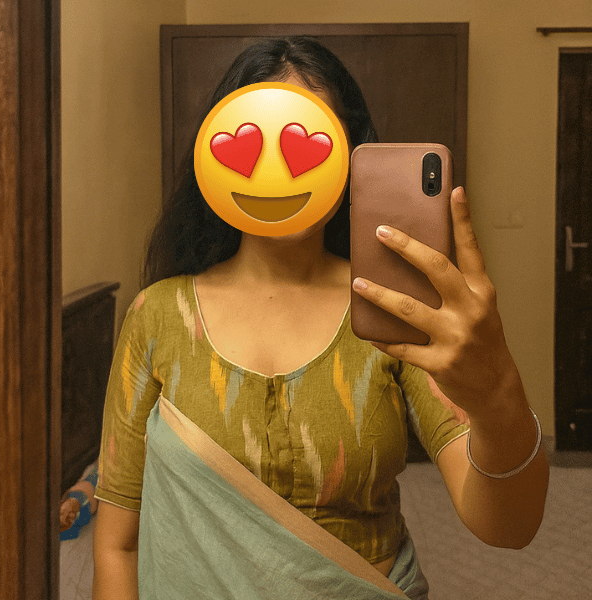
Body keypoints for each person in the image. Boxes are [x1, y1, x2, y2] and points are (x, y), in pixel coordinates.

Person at [92, 37, 549, 600]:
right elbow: (117, 545)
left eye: (306, 142)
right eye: (252, 140)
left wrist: (497, 394)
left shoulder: (392, 307)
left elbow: (508, 526)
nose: (275, 172)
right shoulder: (156, 315)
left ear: (352, 156)